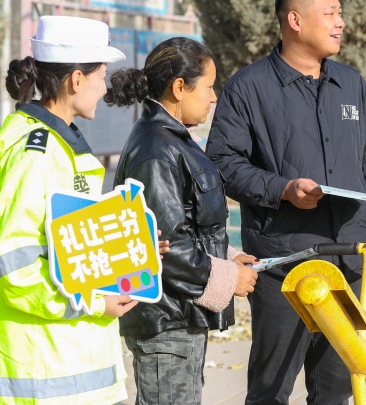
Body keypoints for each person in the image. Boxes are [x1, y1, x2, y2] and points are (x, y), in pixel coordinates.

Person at [206, 0, 366, 405]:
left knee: (337, 391)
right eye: (330, 13)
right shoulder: (248, 88)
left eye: (340, 13)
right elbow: (222, 164)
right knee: (271, 391)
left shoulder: (351, 85)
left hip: (349, 263)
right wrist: (282, 188)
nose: (340, 22)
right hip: (284, 266)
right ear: (295, 20)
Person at [0, 15, 142, 404]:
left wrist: (131, 249)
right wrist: (94, 302)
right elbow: (14, 266)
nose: (104, 89)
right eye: (101, 77)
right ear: (76, 80)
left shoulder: (60, 147)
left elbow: (70, 247)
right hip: (46, 376)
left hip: (68, 365)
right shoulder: (37, 155)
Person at [105, 36, 259, 404]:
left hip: (179, 317)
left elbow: (186, 224)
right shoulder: (157, 150)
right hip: (166, 322)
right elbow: (166, 245)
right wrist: (227, 277)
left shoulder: (171, 140)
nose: (213, 97)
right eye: (208, 86)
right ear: (179, 88)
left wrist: (228, 256)